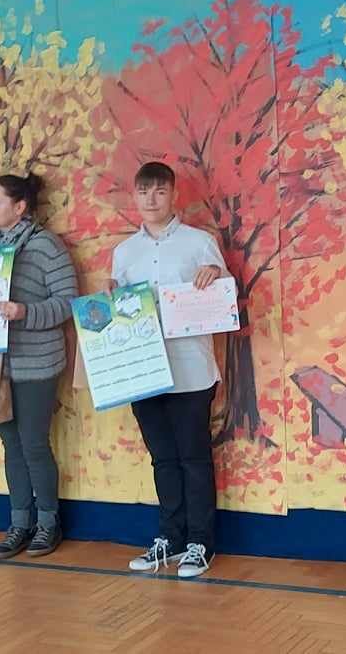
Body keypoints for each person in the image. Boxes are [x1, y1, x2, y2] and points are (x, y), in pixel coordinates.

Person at [113, 162, 229, 579]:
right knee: (162, 459)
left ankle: (200, 543)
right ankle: (171, 537)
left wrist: (215, 275)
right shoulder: (124, 253)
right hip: (143, 371)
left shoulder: (200, 243)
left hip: (191, 370)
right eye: (144, 192)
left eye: (160, 191)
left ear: (174, 195)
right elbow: (120, 309)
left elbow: (224, 296)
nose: (151, 199)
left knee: (194, 458)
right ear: (135, 196)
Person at [0, 174, 79, 560]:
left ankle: (48, 523)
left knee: (34, 444)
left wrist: (24, 312)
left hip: (38, 363)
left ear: (20, 207)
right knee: (11, 444)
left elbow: (67, 302)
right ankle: (19, 523)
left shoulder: (46, 246)